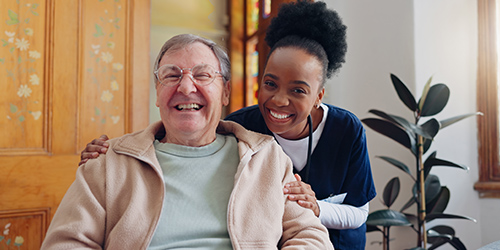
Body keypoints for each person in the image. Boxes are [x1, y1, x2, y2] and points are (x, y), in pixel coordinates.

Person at [80, 1, 377, 249]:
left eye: (298, 90)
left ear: (318, 97)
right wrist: (111, 155)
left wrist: (314, 207)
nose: (279, 101)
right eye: (270, 84)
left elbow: (352, 214)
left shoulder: (340, 131)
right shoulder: (239, 129)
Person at [42, 34, 334, 250]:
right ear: (157, 92)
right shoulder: (108, 162)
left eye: (202, 75)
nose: (185, 87)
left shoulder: (267, 157)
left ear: (225, 92)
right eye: (171, 76)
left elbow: (310, 236)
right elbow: (65, 243)